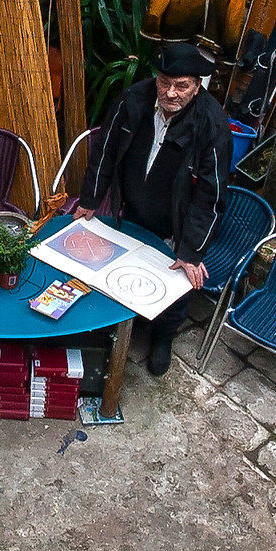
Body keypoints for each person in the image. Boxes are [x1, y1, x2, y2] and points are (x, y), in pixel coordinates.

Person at [75, 42, 227, 376]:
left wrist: (191, 251)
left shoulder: (211, 123)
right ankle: (121, 326)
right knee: (121, 271)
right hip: (131, 209)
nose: (171, 93)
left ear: (197, 86)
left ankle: (163, 337)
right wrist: (89, 201)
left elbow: (211, 195)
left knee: (175, 283)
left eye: (181, 86)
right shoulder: (133, 100)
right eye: (164, 83)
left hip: (176, 222)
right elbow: (105, 151)